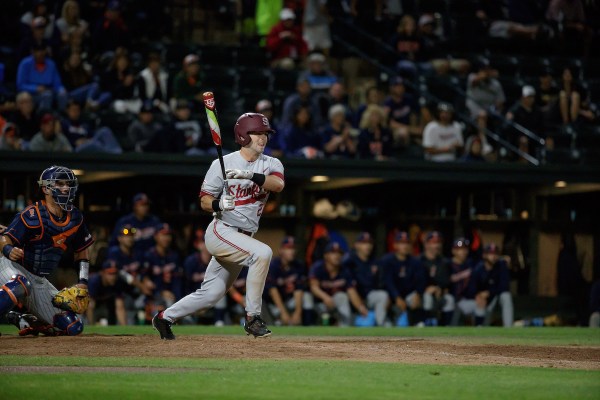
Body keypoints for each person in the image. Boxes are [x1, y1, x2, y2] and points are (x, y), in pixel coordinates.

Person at [152, 112, 285, 339]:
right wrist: (219, 203)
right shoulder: (222, 163)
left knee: (211, 295)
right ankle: (253, 318)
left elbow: (278, 184)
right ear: (243, 135)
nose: (262, 138)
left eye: (265, 134)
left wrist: (249, 175)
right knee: (262, 253)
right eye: (256, 133)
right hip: (222, 231)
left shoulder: (271, 163)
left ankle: (164, 317)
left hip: (244, 238)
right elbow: (204, 201)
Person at [0, 165, 94, 336]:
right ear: (45, 188)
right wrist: (8, 249)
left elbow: (82, 250)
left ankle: (22, 320)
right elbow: (4, 238)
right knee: (20, 284)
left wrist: (83, 281)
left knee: (72, 326)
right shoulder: (31, 214)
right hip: (12, 267)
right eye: (59, 183)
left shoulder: (76, 217)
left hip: (39, 279)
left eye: (68, 183)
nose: (65, 187)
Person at [309, 241, 368, 326]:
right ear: (326, 255)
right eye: (333, 253)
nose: (337, 256)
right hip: (319, 304)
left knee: (341, 296)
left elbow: (351, 291)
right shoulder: (318, 267)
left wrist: (361, 307)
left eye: (339, 253)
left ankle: (345, 326)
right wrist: (326, 297)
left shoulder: (345, 271)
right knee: (307, 298)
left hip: (335, 306)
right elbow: (314, 287)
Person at [342, 232, 389, 326]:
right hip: (351, 299)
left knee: (383, 295)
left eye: (369, 243)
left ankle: (381, 325)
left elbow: (382, 284)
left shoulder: (375, 261)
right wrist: (360, 307)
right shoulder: (349, 261)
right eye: (364, 243)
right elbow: (349, 287)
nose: (367, 246)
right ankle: (345, 324)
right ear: (356, 245)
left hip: (369, 297)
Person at [380, 231, 425, 326]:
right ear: (395, 245)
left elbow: (420, 281)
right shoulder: (387, 260)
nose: (405, 246)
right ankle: (384, 323)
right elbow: (387, 282)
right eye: (401, 243)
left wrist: (418, 293)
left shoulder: (415, 262)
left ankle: (417, 322)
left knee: (416, 298)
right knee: (383, 297)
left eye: (407, 243)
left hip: (408, 295)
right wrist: (396, 297)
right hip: (391, 295)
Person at [265, 236, 313, 326]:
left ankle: (307, 326)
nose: (292, 251)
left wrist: (297, 313)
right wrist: (283, 313)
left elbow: (299, 289)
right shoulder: (273, 266)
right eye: (288, 248)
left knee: (307, 296)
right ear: (281, 250)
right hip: (274, 304)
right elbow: (273, 291)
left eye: (293, 248)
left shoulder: (299, 266)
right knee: (278, 322)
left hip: (290, 301)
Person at [471, 243, 514, 327]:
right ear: (484, 255)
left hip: (496, 296)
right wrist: (479, 295)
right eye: (490, 254)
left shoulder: (502, 266)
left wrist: (489, 292)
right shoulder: (478, 269)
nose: (493, 256)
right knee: (484, 324)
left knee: (506, 296)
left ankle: (509, 327)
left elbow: (505, 287)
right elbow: (473, 288)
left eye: (495, 254)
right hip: (484, 301)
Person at [86, 260, 128, 326]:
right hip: (84, 308)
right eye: (110, 273)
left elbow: (120, 307)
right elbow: (90, 306)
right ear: (102, 273)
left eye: (115, 273)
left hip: (106, 306)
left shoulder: (118, 282)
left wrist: (124, 327)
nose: (113, 277)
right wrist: (91, 325)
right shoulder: (94, 281)